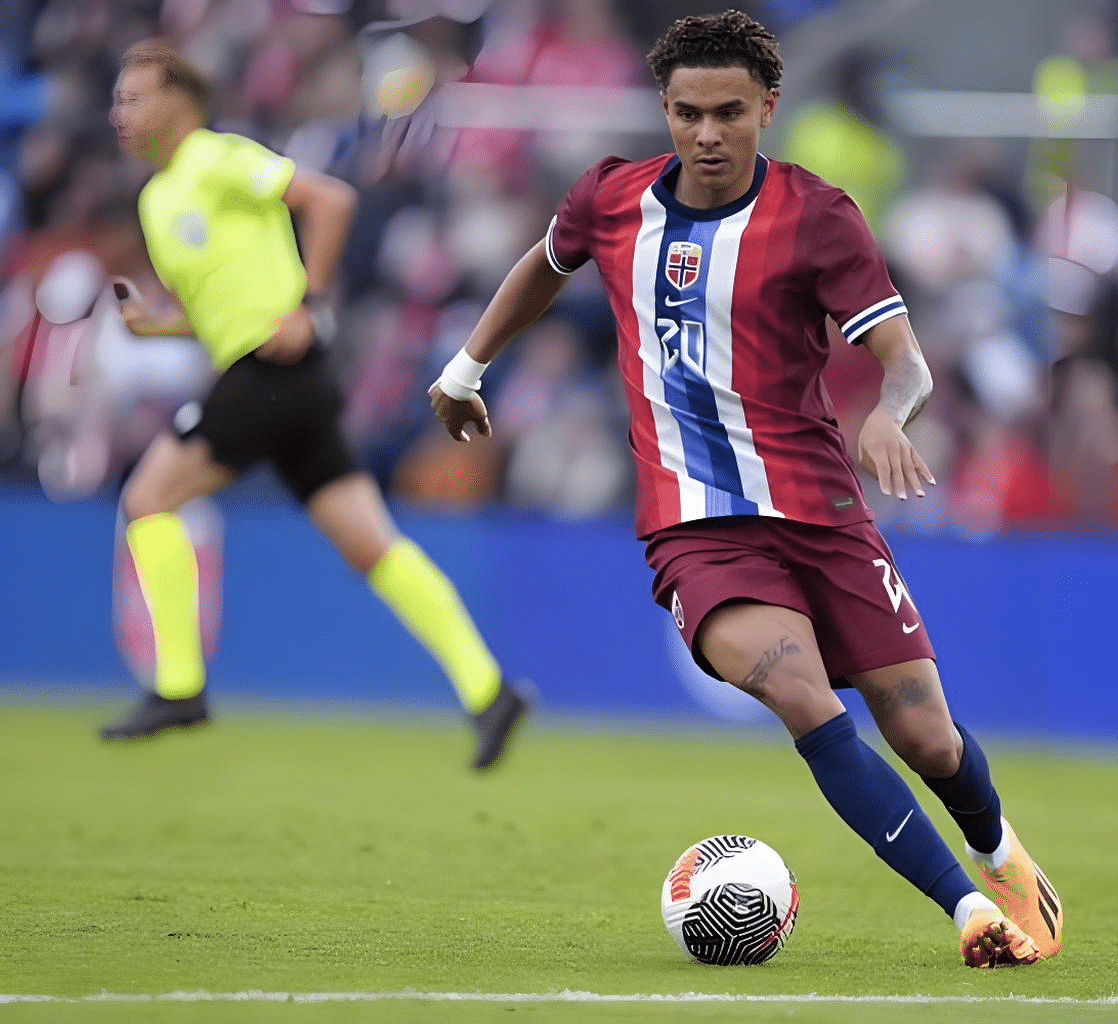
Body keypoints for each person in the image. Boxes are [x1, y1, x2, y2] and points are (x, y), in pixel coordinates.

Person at [429, 11, 1063, 966]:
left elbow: (906, 359)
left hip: (822, 512)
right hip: (696, 528)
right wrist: (466, 367)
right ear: (665, 110)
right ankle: (970, 912)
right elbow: (545, 264)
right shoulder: (610, 198)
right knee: (807, 700)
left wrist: (890, 414)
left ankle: (998, 851)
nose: (707, 134)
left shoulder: (817, 215)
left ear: (768, 107)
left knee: (927, 738)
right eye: (687, 113)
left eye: (729, 112)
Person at [100, 41, 531, 771]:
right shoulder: (156, 200)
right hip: (279, 377)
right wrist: (161, 327)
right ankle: (489, 690)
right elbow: (214, 311)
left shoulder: (214, 156)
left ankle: (178, 687)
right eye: (117, 99)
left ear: (179, 104)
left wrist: (311, 303)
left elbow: (330, 199)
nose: (119, 113)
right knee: (371, 545)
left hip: (270, 372)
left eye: (133, 98)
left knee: (148, 501)